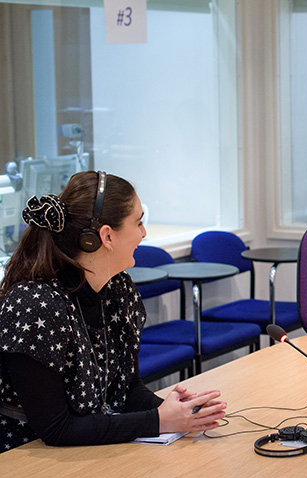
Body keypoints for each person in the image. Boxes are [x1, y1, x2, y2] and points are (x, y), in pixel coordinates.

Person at [0, 171, 226, 453]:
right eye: (138, 222)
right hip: (27, 459)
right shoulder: (33, 305)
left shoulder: (118, 288)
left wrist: (180, 412)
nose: (144, 233)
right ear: (106, 236)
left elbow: (127, 390)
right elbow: (56, 428)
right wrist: (158, 421)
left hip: (90, 447)